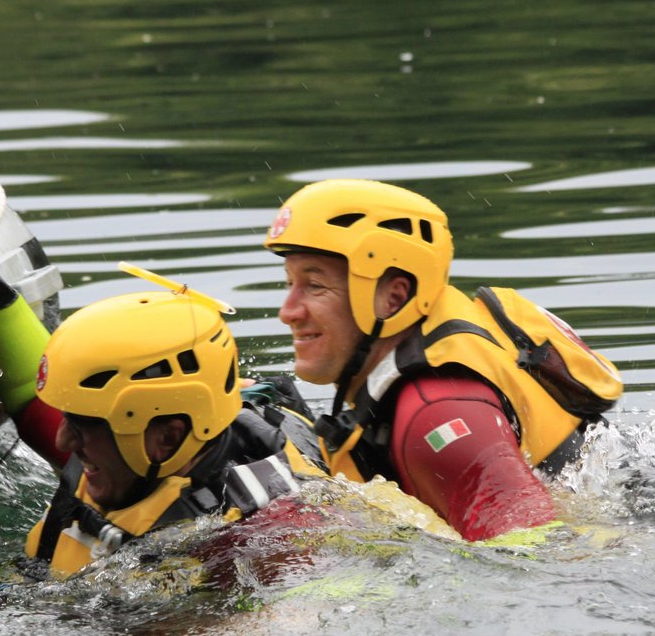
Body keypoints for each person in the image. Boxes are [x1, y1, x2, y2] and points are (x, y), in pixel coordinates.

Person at [0, 216, 328, 579]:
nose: (65, 439)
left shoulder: (263, 544)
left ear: (166, 437)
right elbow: (32, 394)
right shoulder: (133, 453)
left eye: (86, 422)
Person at [267, 178, 622, 542]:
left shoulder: (437, 412)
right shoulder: (415, 385)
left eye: (315, 286)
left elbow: (549, 553)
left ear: (394, 297)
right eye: (289, 283)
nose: (288, 311)